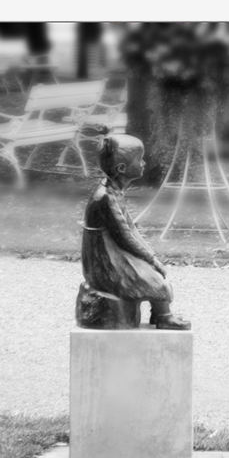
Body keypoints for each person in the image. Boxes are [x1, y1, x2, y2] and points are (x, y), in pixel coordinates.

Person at [81, 133, 190, 330]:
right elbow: (125, 237)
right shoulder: (104, 198)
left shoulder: (113, 192)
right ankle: (163, 317)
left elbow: (130, 229)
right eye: (139, 159)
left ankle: (160, 315)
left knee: (154, 275)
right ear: (122, 168)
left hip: (114, 253)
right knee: (156, 281)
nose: (144, 163)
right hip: (105, 262)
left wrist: (150, 256)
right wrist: (151, 259)